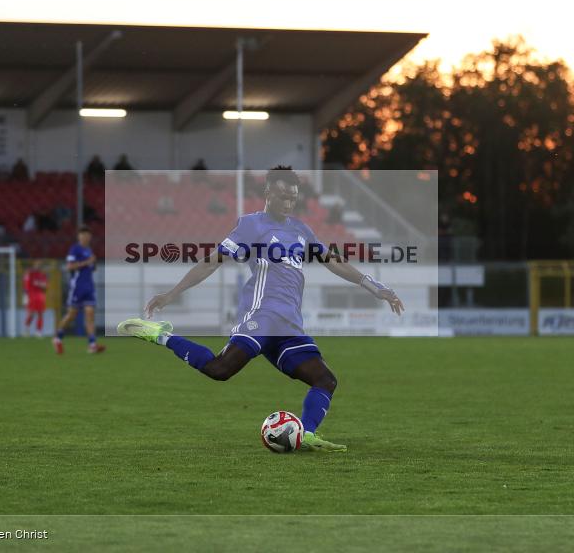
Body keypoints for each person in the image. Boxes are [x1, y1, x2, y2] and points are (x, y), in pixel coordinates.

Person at [119, 165, 404, 452]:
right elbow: (211, 261)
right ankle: (160, 335)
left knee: (325, 379)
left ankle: (306, 435)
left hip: (289, 325)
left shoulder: (301, 229)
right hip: (262, 316)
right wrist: (172, 294)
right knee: (220, 370)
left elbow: (334, 261)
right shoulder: (251, 225)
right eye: (282, 196)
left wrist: (374, 286)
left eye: (293, 197)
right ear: (268, 193)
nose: (288, 203)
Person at [52, 226, 106, 355]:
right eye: (83, 235)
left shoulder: (89, 250)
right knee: (71, 315)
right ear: (79, 237)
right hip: (77, 287)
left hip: (89, 286)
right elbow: (70, 266)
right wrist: (88, 262)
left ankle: (92, 344)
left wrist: (92, 264)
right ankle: (57, 337)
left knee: (90, 314)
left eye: (87, 235)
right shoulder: (75, 249)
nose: (85, 237)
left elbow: (91, 268)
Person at [23, 261, 49, 337]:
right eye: (37, 265)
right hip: (31, 296)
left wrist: (42, 285)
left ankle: (38, 331)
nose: (38, 266)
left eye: (40, 265)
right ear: (34, 265)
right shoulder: (30, 274)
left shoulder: (43, 275)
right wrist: (25, 296)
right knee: (31, 313)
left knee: (40, 314)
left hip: (40, 296)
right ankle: (26, 328)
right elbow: (26, 285)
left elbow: (45, 287)